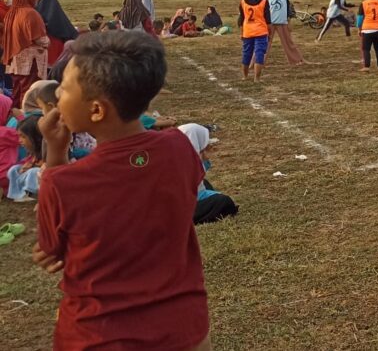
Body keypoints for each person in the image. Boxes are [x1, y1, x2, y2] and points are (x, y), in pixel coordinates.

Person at [31, 32, 211, 350]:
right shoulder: (179, 146)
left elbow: (50, 248)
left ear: (97, 110)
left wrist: (55, 155)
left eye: (64, 88)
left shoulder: (62, 182)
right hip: (184, 330)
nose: (56, 96)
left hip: (100, 335)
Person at [178, 123, 240, 225]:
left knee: (205, 183)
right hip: (179, 208)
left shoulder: (179, 153)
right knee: (224, 202)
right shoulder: (186, 162)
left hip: (184, 199)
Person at [1, 0, 49, 109]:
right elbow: (39, 39)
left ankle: (14, 119)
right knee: (28, 92)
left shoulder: (11, 13)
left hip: (15, 58)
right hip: (30, 61)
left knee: (17, 90)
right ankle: (25, 121)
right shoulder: (30, 13)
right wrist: (47, 41)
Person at [34, 0, 79, 67]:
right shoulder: (52, 5)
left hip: (52, 42)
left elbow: (52, 23)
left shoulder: (45, 5)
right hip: (51, 41)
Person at [266, 0, 305, 65]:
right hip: (270, 23)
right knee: (264, 44)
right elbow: (264, 8)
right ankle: (258, 62)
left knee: (288, 43)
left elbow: (287, 7)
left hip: (282, 23)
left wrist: (289, 21)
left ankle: (296, 60)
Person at [6, 115, 43, 202]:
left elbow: (48, 164)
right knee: (14, 169)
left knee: (33, 172)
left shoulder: (46, 148)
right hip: (30, 175)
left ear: (35, 137)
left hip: (40, 177)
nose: (20, 140)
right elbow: (28, 161)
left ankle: (32, 193)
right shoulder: (32, 151)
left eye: (23, 137)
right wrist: (26, 166)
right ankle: (17, 194)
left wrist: (34, 166)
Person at [239, 0, 271, 81]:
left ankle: (245, 76)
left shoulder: (243, 1)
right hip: (260, 31)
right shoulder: (264, 2)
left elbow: (241, 19)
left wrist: (242, 32)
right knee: (259, 53)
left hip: (247, 31)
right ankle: (257, 78)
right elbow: (268, 20)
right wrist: (268, 33)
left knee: (246, 53)